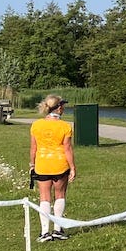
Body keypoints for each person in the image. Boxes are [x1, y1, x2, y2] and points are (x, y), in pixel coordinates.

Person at [28, 94, 75, 242]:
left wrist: (32, 164)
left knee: (44, 197)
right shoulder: (65, 126)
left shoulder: (36, 125)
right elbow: (67, 149)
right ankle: (57, 228)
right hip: (60, 164)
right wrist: (72, 167)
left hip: (42, 164)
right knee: (59, 195)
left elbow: (33, 148)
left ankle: (44, 232)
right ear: (59, 108)